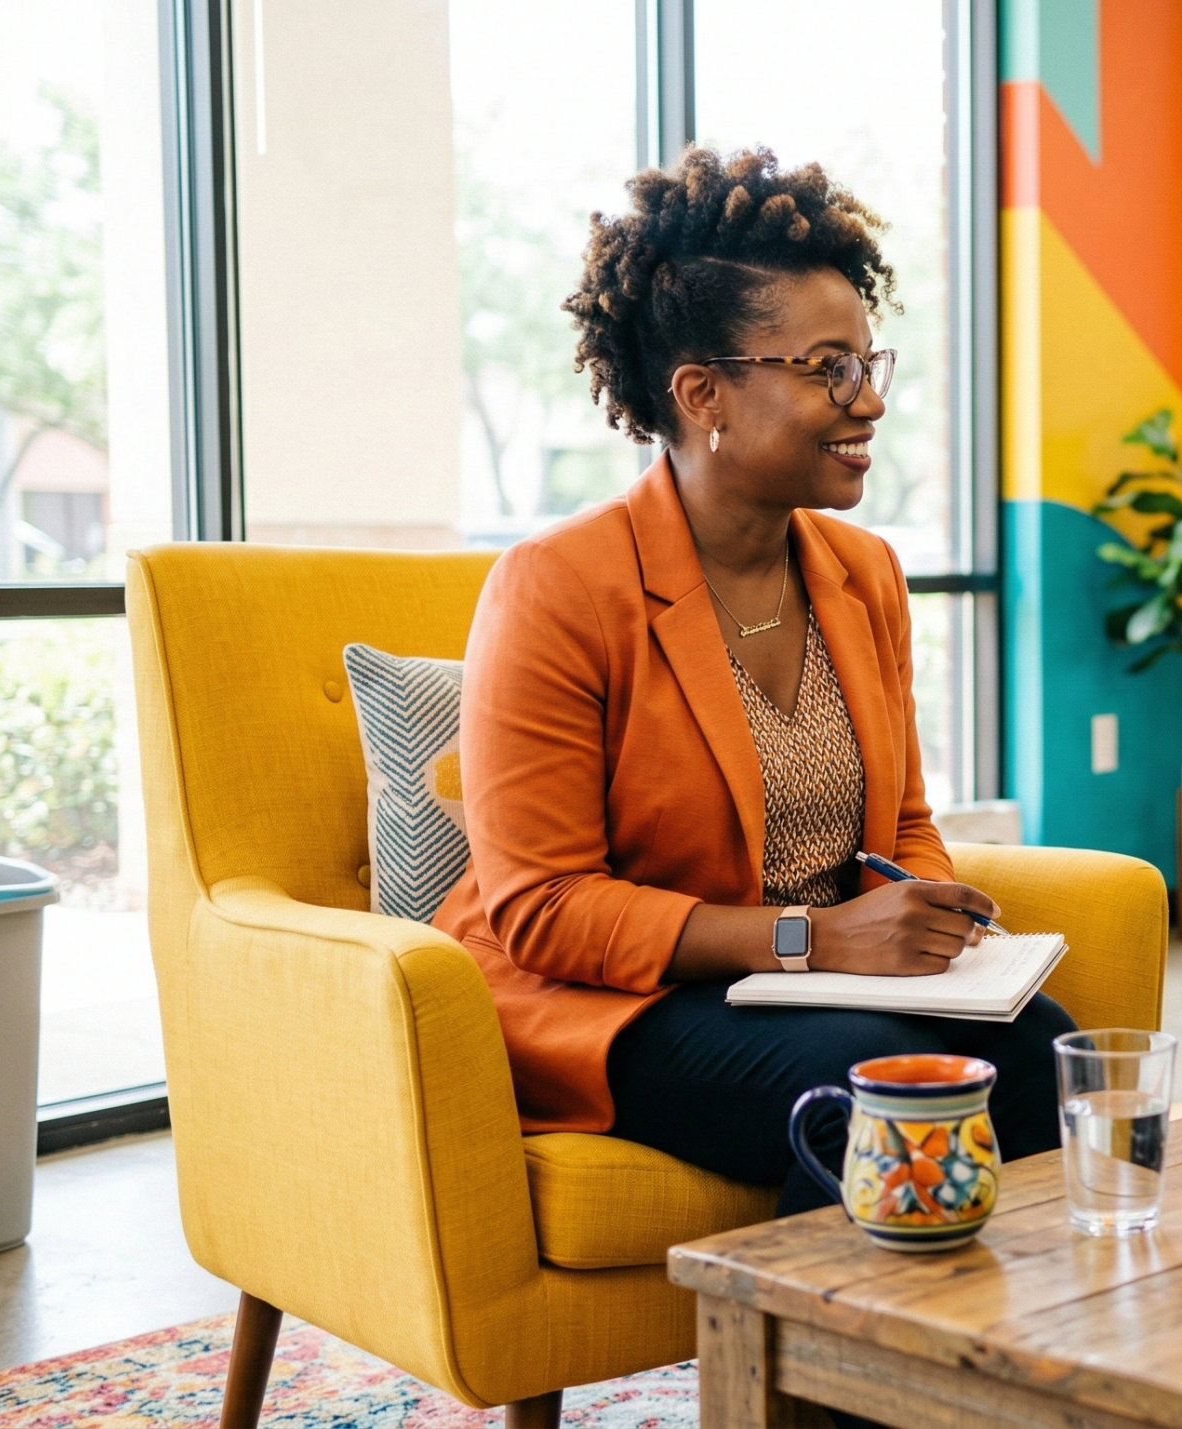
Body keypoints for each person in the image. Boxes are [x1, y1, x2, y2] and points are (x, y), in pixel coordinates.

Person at [432, 147, 1073, 1217]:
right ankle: (809, 1386)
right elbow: (543, 907)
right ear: (702, 393)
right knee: (870, 1089)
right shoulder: (555, 588)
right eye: (829, 367)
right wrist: (812, 940)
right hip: (615, 1002)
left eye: (872, 362)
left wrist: (917, 920)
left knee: (1047, 1048)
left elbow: (903, 821)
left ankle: (1021, 1369)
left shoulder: (861, 575)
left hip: (811, 989)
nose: (867, 400)